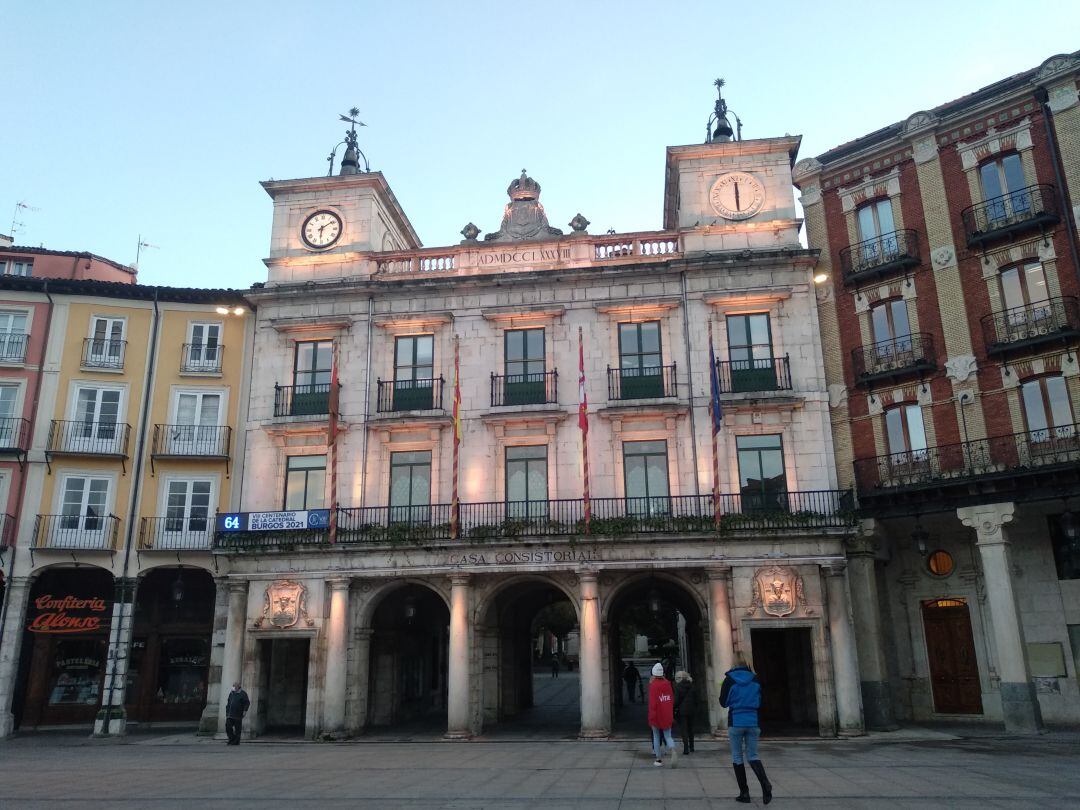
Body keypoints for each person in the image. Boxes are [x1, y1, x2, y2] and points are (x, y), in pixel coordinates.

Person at [719, 655, 772, 804]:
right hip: (753, 720)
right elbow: (761, 700)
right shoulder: (755, 679)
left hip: (736, 720)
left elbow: (723, 702)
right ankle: (765, 784)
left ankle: (744, 793)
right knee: (753, 755)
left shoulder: (729, 680)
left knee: (737, 756)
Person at [647, 662, 678, 768]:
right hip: (667, 713)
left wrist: (651, 716)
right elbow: (671, 699)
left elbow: (653, 703)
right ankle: (673, 749)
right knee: (668, 736)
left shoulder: (653, 685)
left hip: (656, 715)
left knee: (656, 736)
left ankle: (658, 759)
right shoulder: (668, 684)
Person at [673, 670, 696, 755]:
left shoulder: (678, 687)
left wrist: (673, 708)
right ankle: (692, 746)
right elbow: (696, 699)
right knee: (691, 728)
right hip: (692, 710)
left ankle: (686, 748)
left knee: (684, 729)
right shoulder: (692, 686)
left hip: (682, 711)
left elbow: (676, 701)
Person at [225, 681, 250, 746]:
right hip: (230, 714)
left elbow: (247, 703)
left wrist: (245, 711)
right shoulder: (231, 693)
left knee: (237, 729)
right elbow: (228, 702)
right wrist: (227, 711)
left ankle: (236, 741)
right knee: (228, 727)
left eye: (234, 686)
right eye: (233, 685)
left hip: (238, 714)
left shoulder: (243, 694)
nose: (233, 687)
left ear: (238, 686)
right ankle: (232, 739)